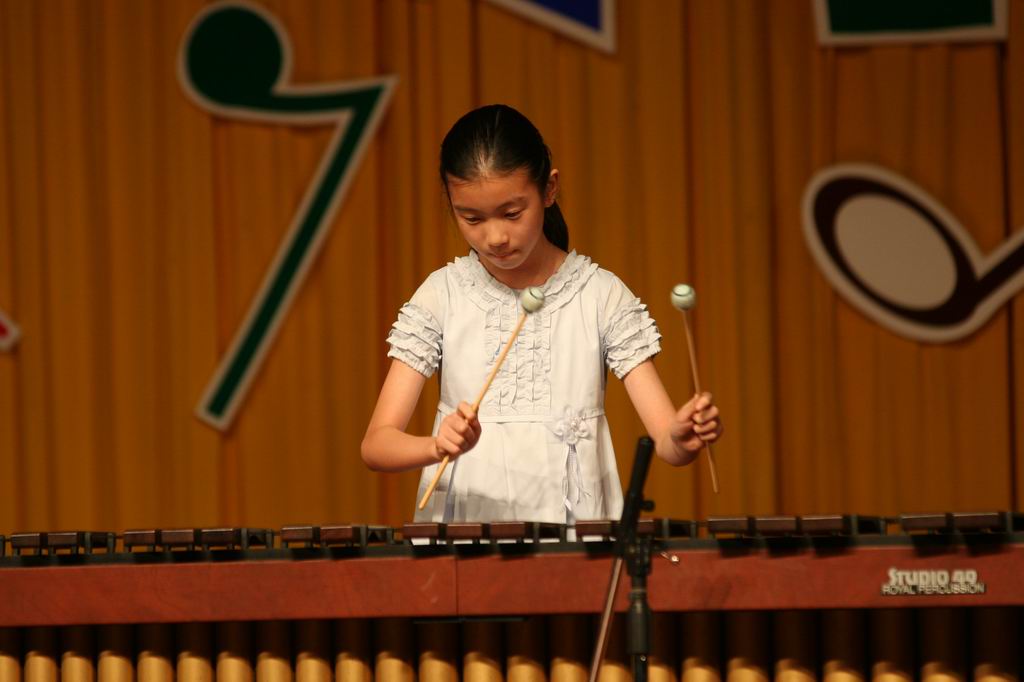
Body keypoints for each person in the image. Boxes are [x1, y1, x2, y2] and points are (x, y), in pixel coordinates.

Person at [361, 104, 722, 524]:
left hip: (573, 536)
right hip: (467, 535)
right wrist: (435, 446)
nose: (495, 237)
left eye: (512, 214)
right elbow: (376, 445)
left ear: (549, 190)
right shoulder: (442, 296)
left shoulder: (599, 295)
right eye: (471, 218)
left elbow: (669, 444)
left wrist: (681, 438)